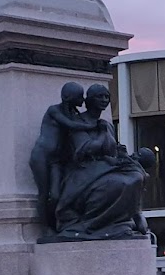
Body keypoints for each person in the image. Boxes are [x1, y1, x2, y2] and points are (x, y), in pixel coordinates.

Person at [46, 84, 149, 241]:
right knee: (119, 183)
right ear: (89, 100)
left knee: (137, 176)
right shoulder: (79, 121)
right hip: (85, 169)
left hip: (105, 166)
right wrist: (101, 134)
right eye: (99, 96)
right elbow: (84, 149)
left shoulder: (107, 125)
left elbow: (111, 150)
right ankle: (92, 223)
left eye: (106, 96)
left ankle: (127, 217)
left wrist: (119, 154)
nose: (104, 100)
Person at [29, 81, 95, 230]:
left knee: (56, 196)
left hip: (56, 161)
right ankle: (45, 228)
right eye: (80, 96)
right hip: (41, 156)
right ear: (68, 97)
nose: (83, 100)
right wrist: (92, 126)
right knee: (44, 193)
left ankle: (57, 226)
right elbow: (69, 125)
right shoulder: (54, 110)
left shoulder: (74, 114)